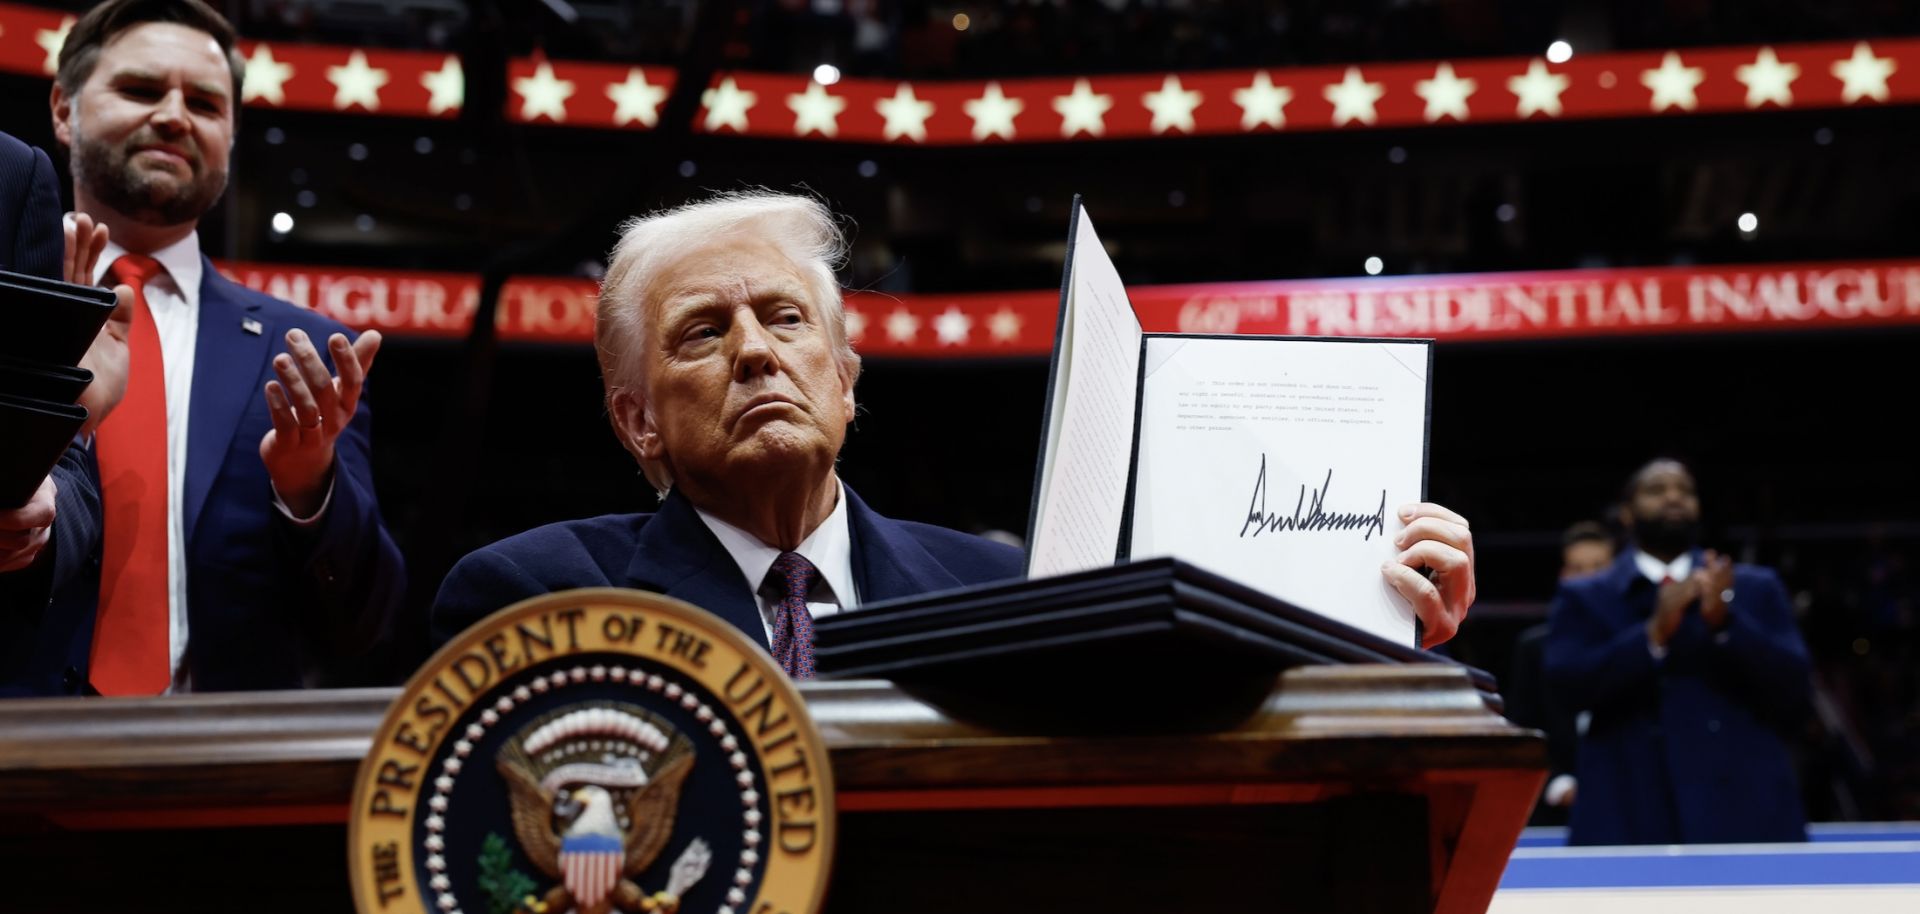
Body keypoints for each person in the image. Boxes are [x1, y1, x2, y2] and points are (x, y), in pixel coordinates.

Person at [432, 191, 1480, 674]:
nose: (755, 353)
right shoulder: (533, 600)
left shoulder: (1004, 589)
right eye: (703, 332)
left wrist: (1382, 624)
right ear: (637, 419)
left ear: (844, 383)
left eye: (786, 319)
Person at [34, 0, 404, 694]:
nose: (175, 116)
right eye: (142, 90)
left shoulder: (309, 352)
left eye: (205, 103)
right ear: (64, 110)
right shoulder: (9, 306)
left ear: (230, 136)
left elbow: (365, 623)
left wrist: (309, 486)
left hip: (217, 770)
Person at [1545, 459, 1811, 844]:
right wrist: (1651, 635)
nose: (1673, 497)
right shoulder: (1587, 595)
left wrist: (1726, 624)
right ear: (1627, 513)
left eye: (1685, 491)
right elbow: (1564, 690)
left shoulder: (1753, 588)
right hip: (1628, 810)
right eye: (1656, 490)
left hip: (1745, 810)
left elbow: (1795, 690)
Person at [1506, 520, 1616, 825]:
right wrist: (1558, 783)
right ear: (1564, 577)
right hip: (1554, 813)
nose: (1589, 578)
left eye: (1599, 567)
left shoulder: (1642, 643)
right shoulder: (1534, 648)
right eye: (1578, 569)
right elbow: (1524, 730)